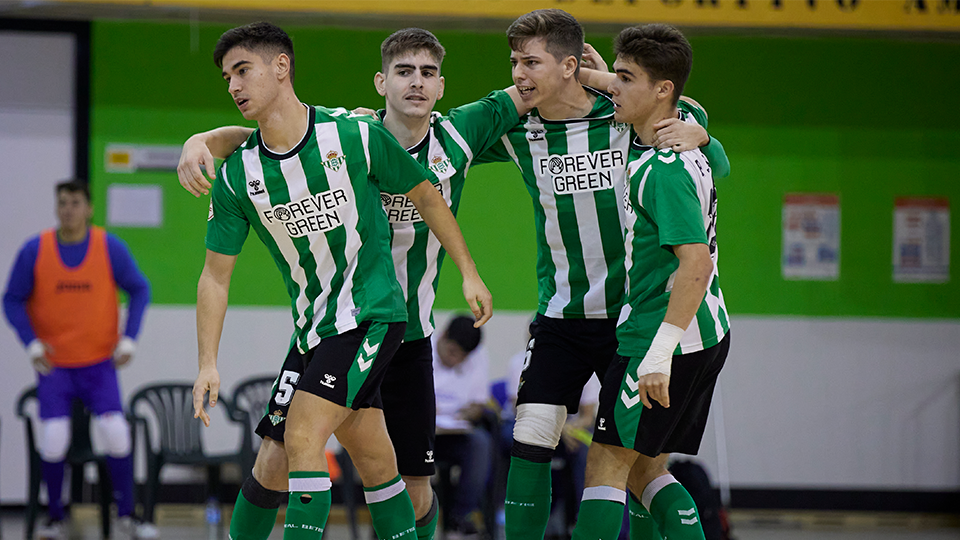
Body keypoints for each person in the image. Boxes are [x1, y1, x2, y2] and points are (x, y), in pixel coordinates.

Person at [179, 27, 525, 540]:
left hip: (384, 322)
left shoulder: (365, 136)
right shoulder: (260, 165)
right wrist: (198, 139)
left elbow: (434, 194)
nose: (232, 84)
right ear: (380, 83)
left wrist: (471, 273)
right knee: (302, 459)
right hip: (316, 330)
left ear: (280, 67)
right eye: (404, 72)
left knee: (333, 451)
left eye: (242, 71)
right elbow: (214, 272)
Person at [470, 10, 730, 539]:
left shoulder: (638, 123)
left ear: (566, 65)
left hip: (632, 321)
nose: (518, 73)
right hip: (564, 314)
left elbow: (715, 167)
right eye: (514, 62)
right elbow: (445, 140)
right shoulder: (520, 128)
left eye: (530, 62)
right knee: (533, 438)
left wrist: (703, 136)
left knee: (635, 466)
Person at [568, 24, 730, 540]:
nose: (612, 86)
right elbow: (709, 140)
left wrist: (660, 353)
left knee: (607, 467)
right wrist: (597, 74)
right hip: (703, 331)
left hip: (664, 337)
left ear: (662, 91)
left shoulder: (663, 169)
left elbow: (696, 264)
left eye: (625, 77)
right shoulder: (682, 126)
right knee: (646, 469)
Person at [2, 180, 152, 540]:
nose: (68, 209)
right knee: (53, 439)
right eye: (62, 203)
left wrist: (129, 338)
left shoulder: (108, 247)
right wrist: (31, 344)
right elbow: (11, 299)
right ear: (57, 208)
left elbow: (140, 288)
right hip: (56, 367)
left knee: (117, 434)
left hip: (99, 365)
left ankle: (128, 515)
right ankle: (54, 517)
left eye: (75, 202)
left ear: (89, 208)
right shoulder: (34, 250)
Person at [432, 315, 493, 538]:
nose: (456, 361)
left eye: (462, 358)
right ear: (443, 336)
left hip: (454, 433)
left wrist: (465, 413)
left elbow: (478, 406)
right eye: (451, 353)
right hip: (423, 434)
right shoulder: (420, 349)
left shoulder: (478, 357)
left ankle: (461, 517)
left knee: (480, 443)